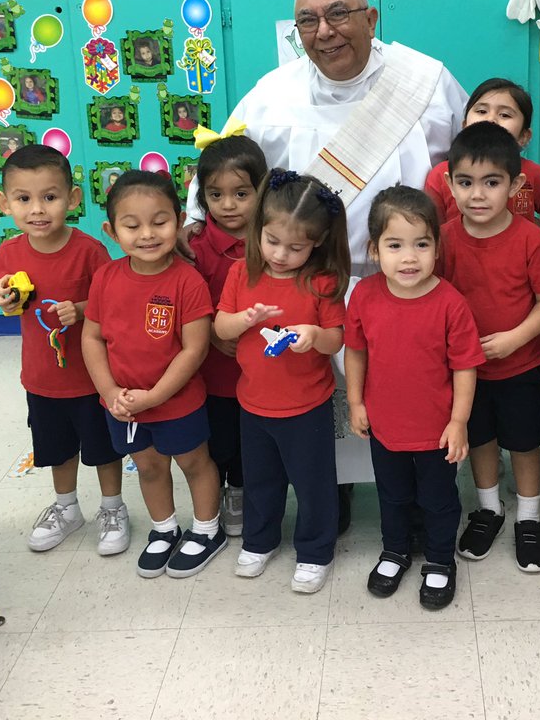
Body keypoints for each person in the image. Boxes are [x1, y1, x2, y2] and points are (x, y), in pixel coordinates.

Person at [184, 0, 466, 527]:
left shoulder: (426, 82)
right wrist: (192, 222)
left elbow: (472, 167)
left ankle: (414, 502)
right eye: (307, 20)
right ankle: (327, 497)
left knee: (406, 395)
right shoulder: (273, 92)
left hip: (402, 283)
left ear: (370, 17)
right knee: (319, 399)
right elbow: (219, 164)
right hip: (310, 283)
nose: (325, 31)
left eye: (338, 13)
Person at [0, 145, 128, 555]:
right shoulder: (9, 252)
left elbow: (114, 299)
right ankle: (67, 507)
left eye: (50, 197)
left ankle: (112, 508)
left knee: (102, 449)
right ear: (6, 204)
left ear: (72, 199)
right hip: (42, 379)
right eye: (24, 199)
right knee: (57, 449)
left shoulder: (88, 250)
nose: (38, 209)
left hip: (92, 378)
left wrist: (81, 309)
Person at [82, 171, 224, 579]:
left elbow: (194, 349)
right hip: (123, 406)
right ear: (111, 231)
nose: (146, 234)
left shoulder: (187, 281)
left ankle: (206, 530)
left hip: (176, 403)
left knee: (193, 462)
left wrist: (155, 396)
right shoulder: (106, 278)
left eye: (159, 222)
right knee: (147, 466)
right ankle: (164, 529)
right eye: (132, 225)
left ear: (179, 222)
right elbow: (92, 337)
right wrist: (110, 392)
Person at [345, 186, 482, 608]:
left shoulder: (450, 304)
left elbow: (465, 367)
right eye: (395, 245)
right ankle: (396, 550)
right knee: (393, 495)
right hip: (386, 428)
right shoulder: (365, 297)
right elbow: (355, 351)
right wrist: (355, 402)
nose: (409, 257)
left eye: (421, 244)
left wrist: (458, 422)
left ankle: (440, 560)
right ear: (374, 249)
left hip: (437, 431)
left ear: (437, 248)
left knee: (439, 501)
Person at [215, 169, 350, 593]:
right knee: (260, 480)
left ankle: (314, 550)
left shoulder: (321, 281)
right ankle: (260, 540)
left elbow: (335, 339)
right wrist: (245, 319)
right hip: (253, 404)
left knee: (314, 485)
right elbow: (220, 327)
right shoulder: (241, 274)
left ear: (317, 242)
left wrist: (312, 336)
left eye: (295, 247)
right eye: (272, 241)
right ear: (258, 230)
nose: (280, 254)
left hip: (306, 405)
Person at [438, 123, 540, 571]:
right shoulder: (445, 238)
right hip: (467, 372)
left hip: (521, 364)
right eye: (465, 183)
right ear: (450, 184)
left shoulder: (530, 238)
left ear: (516, 184)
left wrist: (512, 340)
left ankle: (529, 516)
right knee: (480, 438)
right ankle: (488, 508)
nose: (478, 195)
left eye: (492, 182)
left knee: (524, 443)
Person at [189, 127, 268, 538]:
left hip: (260, 367)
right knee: (218, 433)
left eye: (241, 193)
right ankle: (216, 492)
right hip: (213, 366)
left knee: (250, 437)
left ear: (262, 192)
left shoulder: (273, 244)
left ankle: (239, 490)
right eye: (215, 195)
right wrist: (215, 337)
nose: (228, 205)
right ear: (202, 198)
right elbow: (190, 305)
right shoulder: (194, 247)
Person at [424, 78, 540, 260]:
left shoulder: (533, 174)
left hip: (518, 274)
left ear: (524, 136)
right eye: (482, 111)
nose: (491, 119)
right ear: (465, 125)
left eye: (505, 115)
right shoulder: (441, 175)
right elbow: (432, 227)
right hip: (460, 273)